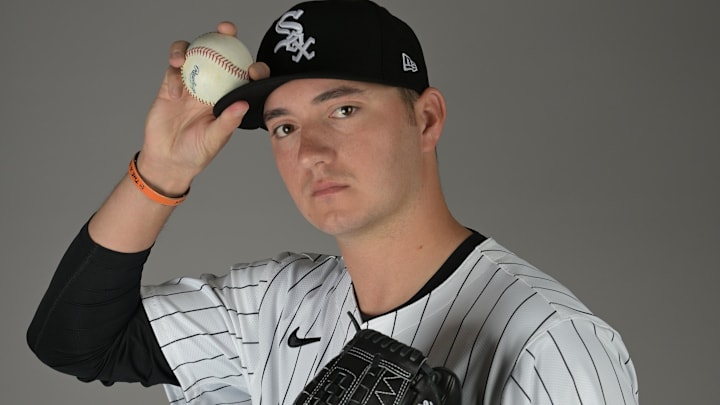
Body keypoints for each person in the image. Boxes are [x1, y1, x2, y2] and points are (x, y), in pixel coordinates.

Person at [27, 1, 639, 404]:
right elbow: (75, 340)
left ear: (425, 120)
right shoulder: (274, 304)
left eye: (343, 110)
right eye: (284, 127)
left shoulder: (553, 341)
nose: (310, 152)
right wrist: (161, 171)